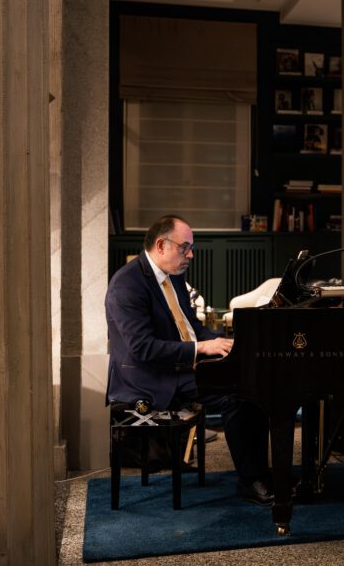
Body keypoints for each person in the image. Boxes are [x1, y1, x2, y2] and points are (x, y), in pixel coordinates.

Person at [105, 215, 273, 506]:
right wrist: (202, 348)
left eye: (191, 248)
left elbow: (192, 327)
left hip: (179, 366)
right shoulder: (127, 285)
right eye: (185, 248)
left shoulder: (173, 275)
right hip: (149, 377)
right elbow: (142, 348)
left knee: (254, 384)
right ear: (161, 245)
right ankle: (251, 481)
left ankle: (263, 474)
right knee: (235, 395)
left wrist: (227, 345)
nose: (191, 255)